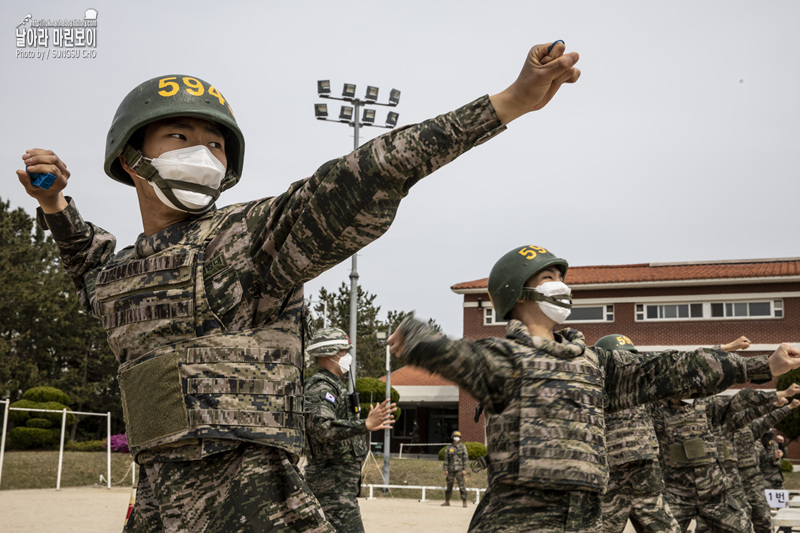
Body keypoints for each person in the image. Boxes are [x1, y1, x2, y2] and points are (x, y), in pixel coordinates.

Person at [17, 41, 581, 532]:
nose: (203, 153)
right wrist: (54, 205)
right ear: (130, 158)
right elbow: (89, 269)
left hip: (252, 497)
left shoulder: (245, 238)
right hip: (159, 500)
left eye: (216, 144)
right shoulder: (122, 275)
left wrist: (508, 103)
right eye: (179, 134)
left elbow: (369, 171)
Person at [387, 244, 800, 533]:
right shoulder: (504, 358)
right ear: (518, 293)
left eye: (559, 277)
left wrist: (761, 366)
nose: (560, 285)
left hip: (585, 517)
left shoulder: (596, 363)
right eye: (547, 278)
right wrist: (415, 336)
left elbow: (667, 369)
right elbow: (458, 356)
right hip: (519, 520)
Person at [303, 327, 395, 533]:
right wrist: (364, 425)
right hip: (331, 488)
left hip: (339, 486)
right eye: (343, 351)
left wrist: (364, 426)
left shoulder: (335, 386)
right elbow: (322, 428)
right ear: (329, 353)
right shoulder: (321, 388)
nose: (347, 356)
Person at [592, 334, 680, 533]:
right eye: (620, 358)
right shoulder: (593, 391)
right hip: (609, 483)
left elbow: (679, 375)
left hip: (646, 478)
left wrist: (722, 350)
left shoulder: (643, 391)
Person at [442, 430, 469, 508]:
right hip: (450, 469)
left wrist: (464, 469)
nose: (456, 438)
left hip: (459, 470)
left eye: (458, 437)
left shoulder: (463, 447)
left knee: (462, 486)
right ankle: (447, 501)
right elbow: (446, 459)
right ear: (452, 438)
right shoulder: (449, 447)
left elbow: (465, 459)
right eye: (455, 437)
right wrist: (445, 469)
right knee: (449, 485)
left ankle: (464, 501)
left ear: (460, 438)